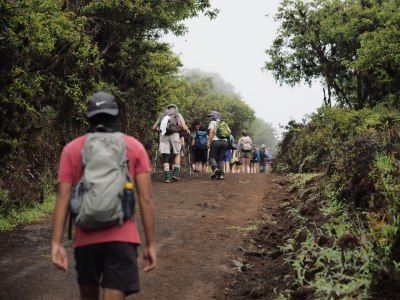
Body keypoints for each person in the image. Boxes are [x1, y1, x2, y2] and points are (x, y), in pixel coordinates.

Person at [51, 92, 156, 300]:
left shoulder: (72, 149)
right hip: (122, 237)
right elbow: (145, 199)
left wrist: (56, 243)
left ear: (89, 117)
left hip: (85, 238)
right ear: (116, 115)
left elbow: (63, 197)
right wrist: (151, 244)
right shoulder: (134, 146)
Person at [152, 104, 190, 183]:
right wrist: (187, 130)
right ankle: (175, 174)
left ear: (168, 109)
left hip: (163, 135)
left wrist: (159, 129)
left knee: (165, 156)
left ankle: (167, 177)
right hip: (174, 135)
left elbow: (154, 127)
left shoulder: (162, 115)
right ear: (175, 109)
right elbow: (183, 126)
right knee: (177, 154)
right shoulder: (177, 114)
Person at [207, 111, 230, 180]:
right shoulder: (224, 123)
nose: (210, 117)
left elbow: (211, 132)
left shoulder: (212, 122)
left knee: (212, 157)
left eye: (211, 116)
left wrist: (209, 142)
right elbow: (229, 132)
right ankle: (221, 174)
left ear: (214, 116)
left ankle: (215, 169)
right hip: (224, 142)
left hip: (215, 142)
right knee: (221, 158)